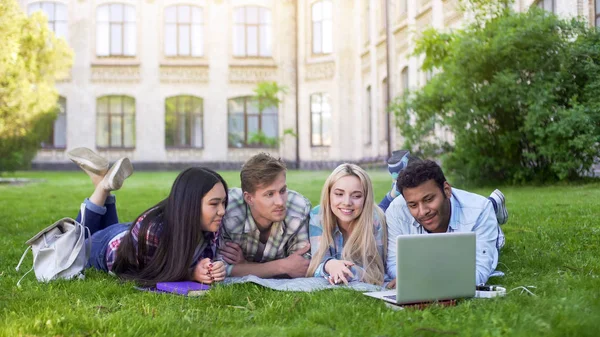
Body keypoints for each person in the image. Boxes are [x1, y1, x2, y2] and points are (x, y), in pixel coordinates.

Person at [67, 147, 228, 286]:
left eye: (223, 202)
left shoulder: (210, 225)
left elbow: (205, 258)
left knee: (86, 240)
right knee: (71, 249)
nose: (222, 211)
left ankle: (102, 182)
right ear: (190, 204)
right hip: (107, 249)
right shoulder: (155, 231)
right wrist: (192, 273)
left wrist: (213, 267)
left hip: (128, 237)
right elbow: (151, 274)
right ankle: (102, 187)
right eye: (214, 204)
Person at [385, 159, 506, 286]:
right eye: (413, 205)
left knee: (495, 233)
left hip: (477, 217)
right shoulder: (395, 211)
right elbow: (393, 263)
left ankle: (494, 205)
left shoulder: (480, 211)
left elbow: (480, 272)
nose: (422, 212)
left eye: (429, 199)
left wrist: (421, 280)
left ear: (447, 190)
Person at [217, 153, 312, 278]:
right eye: (270, 194)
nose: (280, 202)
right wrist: (282, 266)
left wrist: (244, 266)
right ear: (249, 198)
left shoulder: (298, 208)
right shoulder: (228, 210)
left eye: (283, 191)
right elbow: (219, 268)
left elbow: (301, 266)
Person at [306, 164, 388, 286]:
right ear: (328, 195)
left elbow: (376, 271)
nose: (347, 202)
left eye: (356, 196)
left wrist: (348, 271)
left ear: (366, 199)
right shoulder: (318, 216)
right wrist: (330, 265)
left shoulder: (374, 220)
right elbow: (316, 264)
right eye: (339, 194)